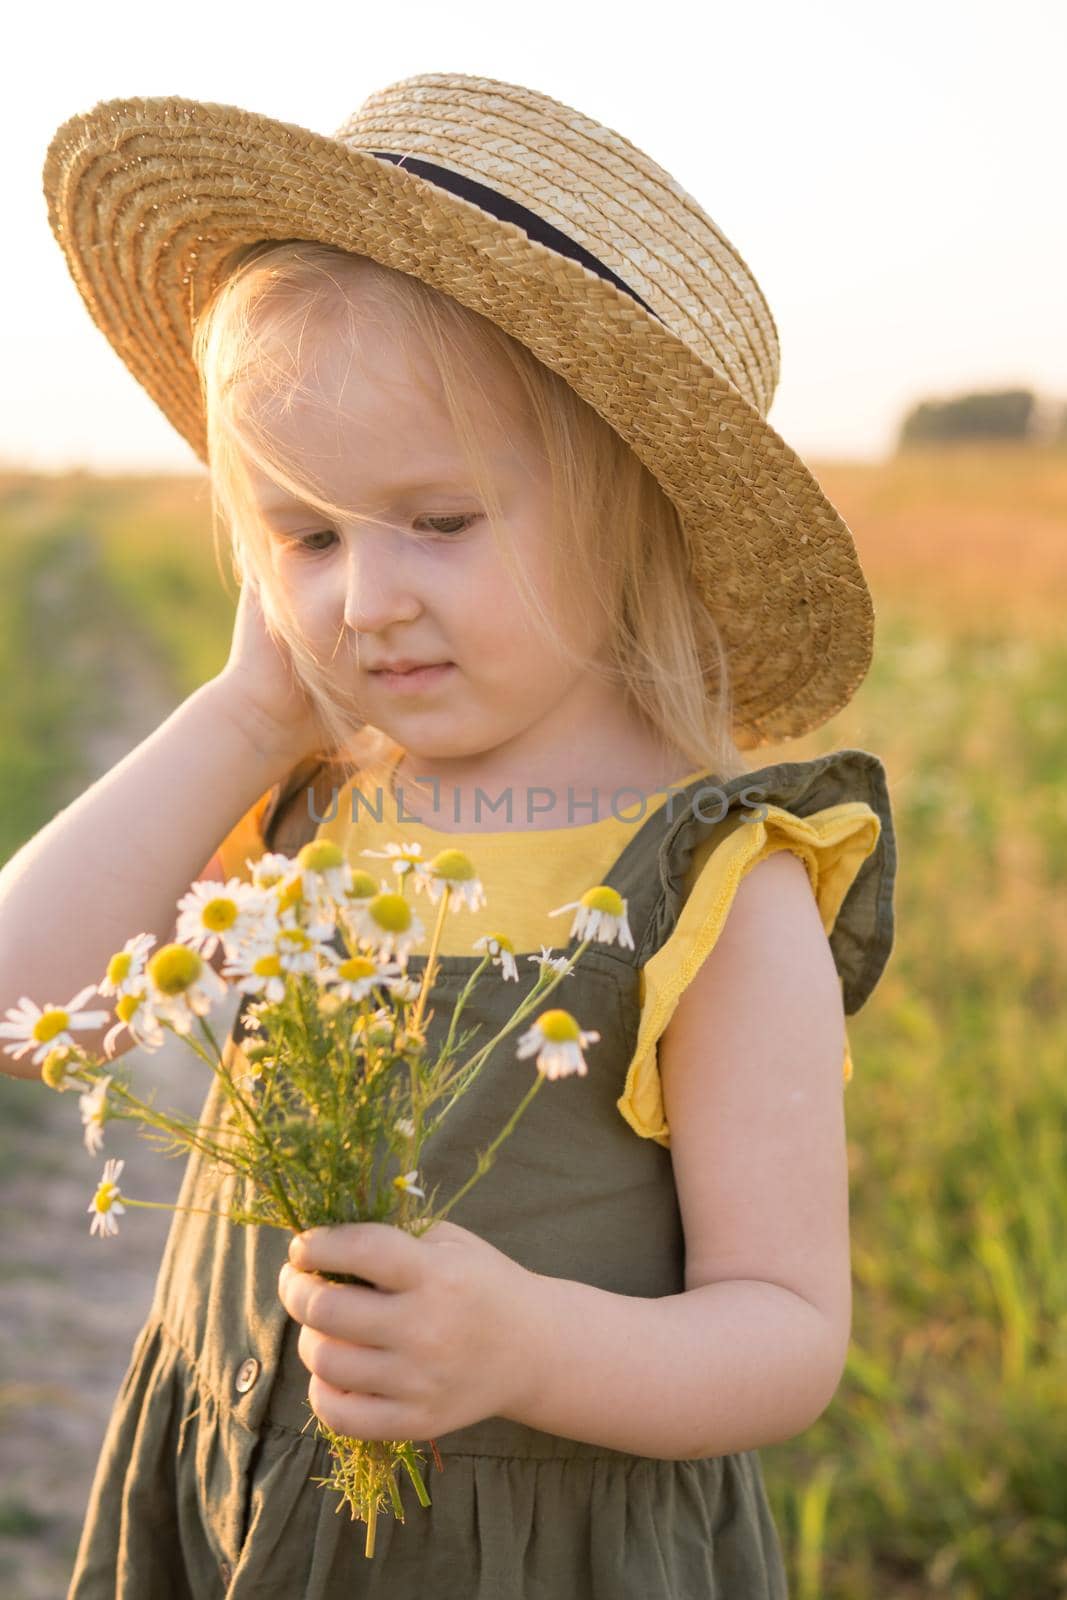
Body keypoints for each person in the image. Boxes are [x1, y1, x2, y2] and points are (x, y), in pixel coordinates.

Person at [8, 72, 897, 1597]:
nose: (364, 600)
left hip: (525, 1554)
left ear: (637, 516)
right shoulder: (317, 798)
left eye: (439, 520)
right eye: (304, 535)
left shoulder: (715, 888)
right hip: (231, 1507)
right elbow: (25, 1002)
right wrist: (242, 715)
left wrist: (527, 1344)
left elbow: (787, 1333)